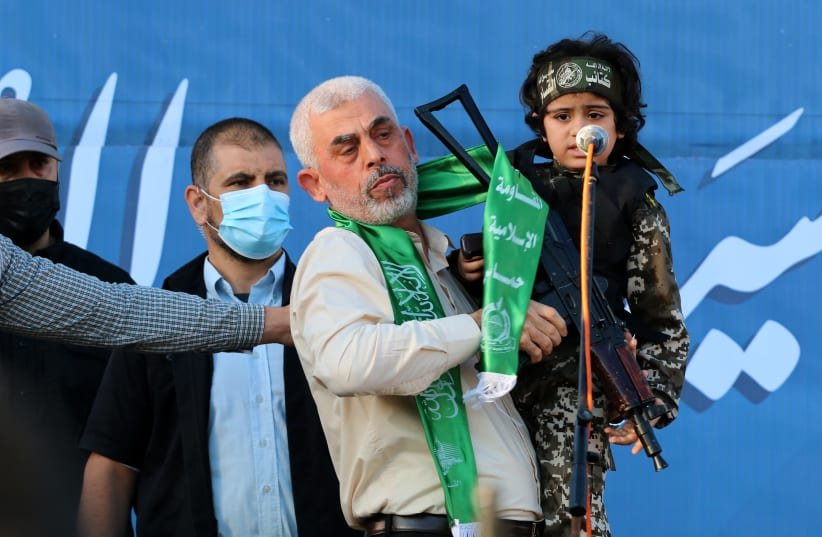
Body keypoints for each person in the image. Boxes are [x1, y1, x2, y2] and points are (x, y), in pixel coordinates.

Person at [287, 75, 568, 537]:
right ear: (314, 184)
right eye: (347, 149)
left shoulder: (444, 264)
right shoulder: (338, 250)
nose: (374, 155)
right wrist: (487, 325)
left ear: (410, 145)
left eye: (383, 134)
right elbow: (347, 362)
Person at [77, 118, 355, 537]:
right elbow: (112, 465)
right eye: (240, 183)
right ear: (198, 203)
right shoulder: (159, 317)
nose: (262, 196)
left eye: (275, 181)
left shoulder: (334, 304)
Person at [503, 33, 689, 537]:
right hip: (498, 389)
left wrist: (652, 395)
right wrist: (469, 266)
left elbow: (662, 319)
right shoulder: (513, 186)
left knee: (571, 520)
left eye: (595, 114)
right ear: (540, 124)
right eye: (562, 116)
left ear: (620, 127)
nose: (579, 129)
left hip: (576, 394)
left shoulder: (635, 202)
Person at [0, 97, 136, 535]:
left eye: (38, 164)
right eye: (6, 168)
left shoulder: (109, 285)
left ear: (56, 169)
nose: (26, 180)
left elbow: (138, 438)